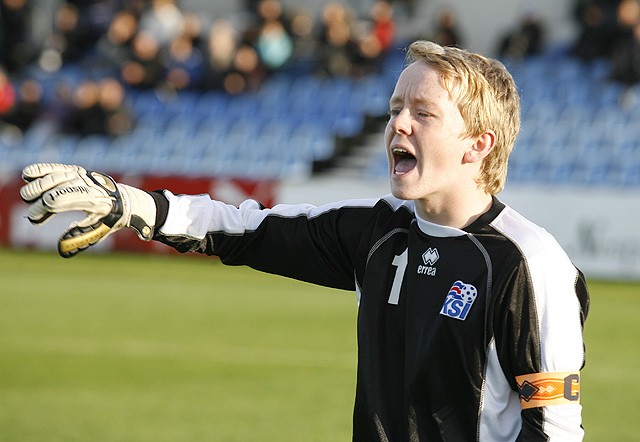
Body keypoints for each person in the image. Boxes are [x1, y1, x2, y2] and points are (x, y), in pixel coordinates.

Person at [19, 40, 589, 441]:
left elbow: (554, 431)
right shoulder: (380, 233)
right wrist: (137, 205)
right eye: (395, 109)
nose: (399, 125)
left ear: (478, 145)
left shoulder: (528, 265)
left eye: (423, 113)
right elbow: (251, 229)